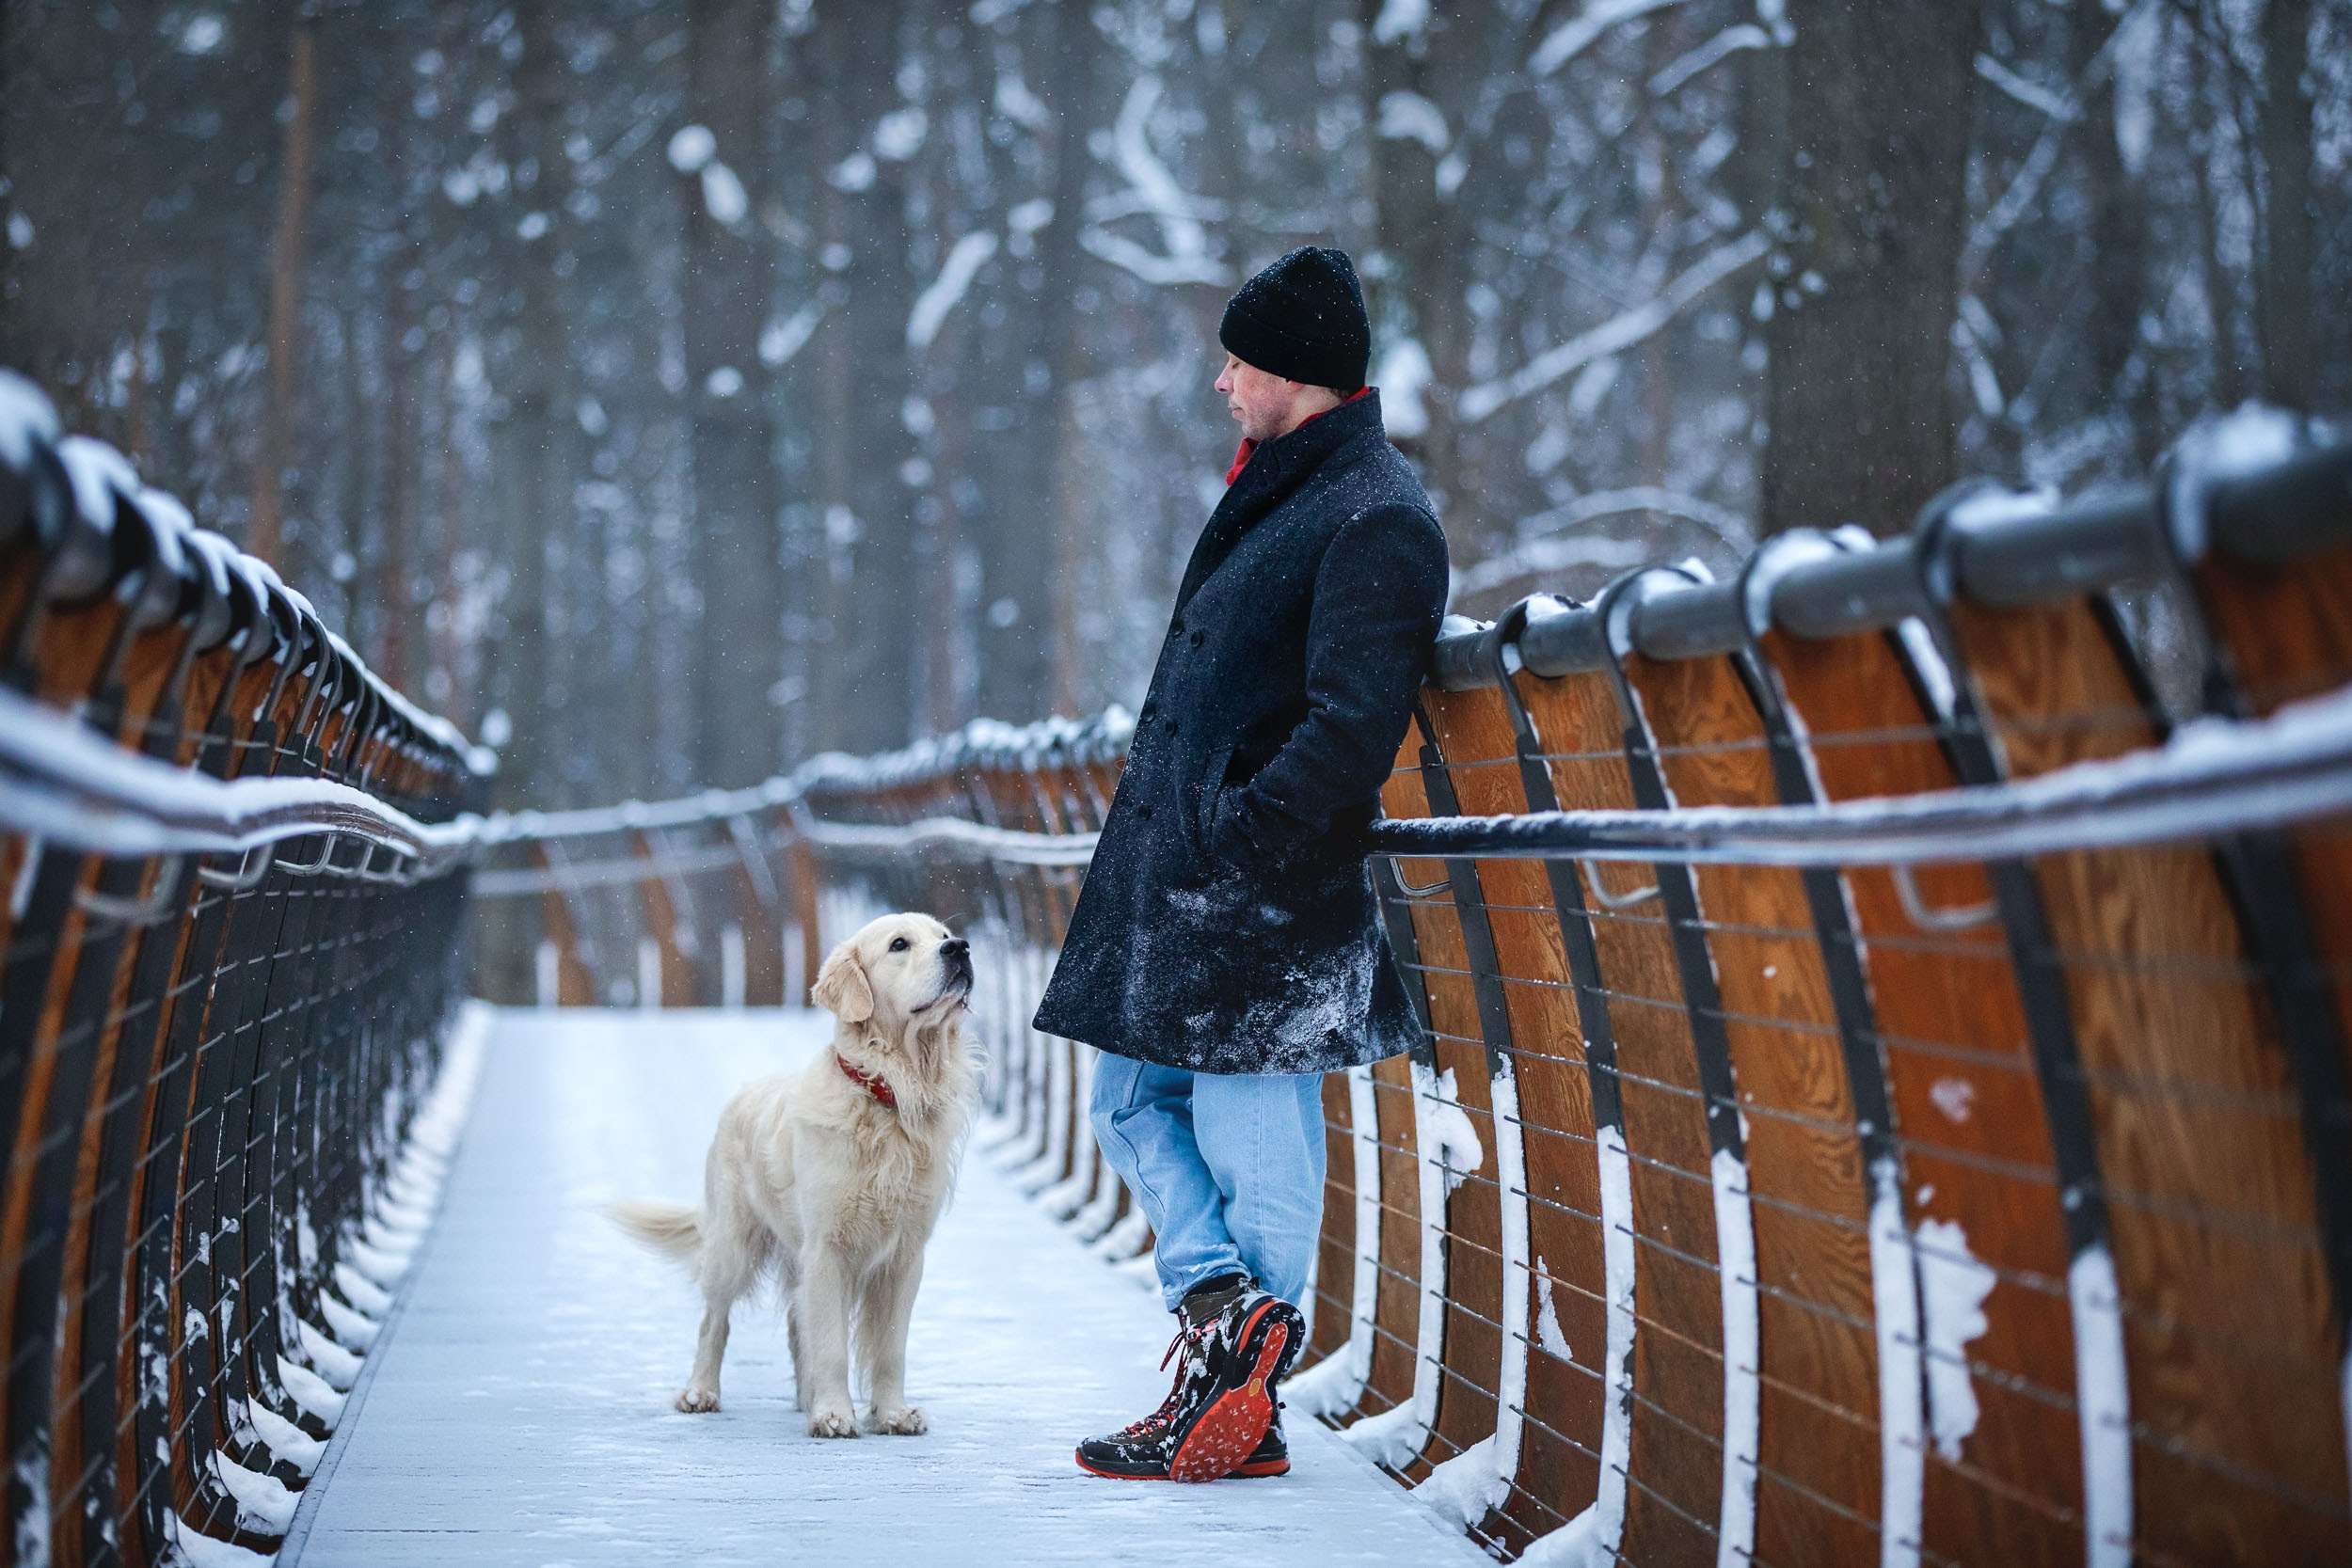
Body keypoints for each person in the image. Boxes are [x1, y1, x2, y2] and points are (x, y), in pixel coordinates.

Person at [1033, 245, 1448, 1482]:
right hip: (1187, 881)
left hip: (1267, 895)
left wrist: (1241, 836)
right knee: (1127, 1101)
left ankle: (1240, 1399)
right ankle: (1229, 1326)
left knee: (1249, 1126)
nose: (1221, 381)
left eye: (1241, 362)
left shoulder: (1375, 515)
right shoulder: (1293, 489)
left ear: (1299, 376)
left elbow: (1354, 722)